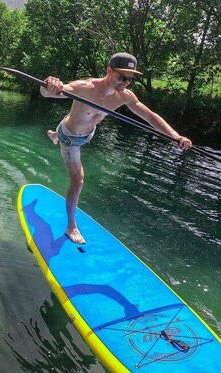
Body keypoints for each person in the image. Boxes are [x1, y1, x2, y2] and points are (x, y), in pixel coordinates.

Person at [42, 52, 192, 244]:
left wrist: (175, 135)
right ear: (108, 71)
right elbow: (50, 93)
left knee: (65, 133)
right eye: (121, 77)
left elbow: (150, 117)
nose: (125, 82)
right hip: (71, 139)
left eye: (129, 79)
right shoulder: (85, 87)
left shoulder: (124, 97)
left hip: (87, 134)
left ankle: (55, 135)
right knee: (78, 181)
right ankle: (71, 227)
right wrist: (48, 85)